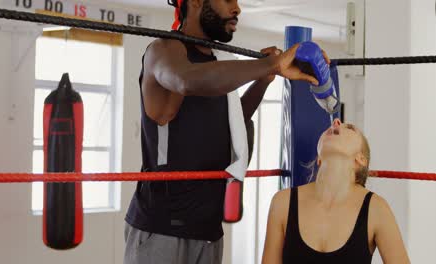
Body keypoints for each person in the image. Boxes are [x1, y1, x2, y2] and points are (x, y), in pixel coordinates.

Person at [123, 0, 327, 263]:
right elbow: (187, 80)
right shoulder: (164, 50)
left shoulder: (219, 62)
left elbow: (232, 120)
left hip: (208, 228)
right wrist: (271, 65)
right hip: (162, 227)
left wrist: (263, 80)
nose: (237, 8)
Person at [261, 118, 411, 264]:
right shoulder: (283, 202)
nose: (336, 122)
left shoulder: (377, 209)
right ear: (319, 158)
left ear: (361, 159)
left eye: (350, 128)